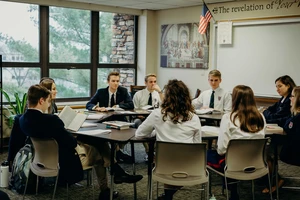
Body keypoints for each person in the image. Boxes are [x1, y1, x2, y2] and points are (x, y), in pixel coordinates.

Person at [12, 85, 142, 199]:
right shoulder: (51, 120)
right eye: (48, 101)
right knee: (99, 153)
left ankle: (116, 173)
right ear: (41, 100)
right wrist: (70, 133)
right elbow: (71, 143)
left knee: (97, 143)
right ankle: (106, 189)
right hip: (64, 160)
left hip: (41, 160)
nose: (48, 104)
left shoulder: (22, 119)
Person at [136, 79, 201, 200]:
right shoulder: (194, 118)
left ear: (167, 97)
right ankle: (167, 196)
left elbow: (139, 134)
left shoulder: (157, 114)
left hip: (164, 165)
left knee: (170, 162)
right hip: (190, 166)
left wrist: (156, 131)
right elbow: (197, 146)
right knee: (179, 160)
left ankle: (167, 196)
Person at [207, 85, 266, 200]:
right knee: (231, 157)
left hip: (232, 165)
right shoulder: (261, 117)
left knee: (208, 154)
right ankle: (232, 190)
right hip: (256, 163)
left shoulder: (229, 117)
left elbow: (221, 149)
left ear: (234, 99)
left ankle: (231, 191)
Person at [86, 71, 134, 163]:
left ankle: (117, 150)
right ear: (108, 82)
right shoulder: (101, 92)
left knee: (131, 130)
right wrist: (97, 107)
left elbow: (131, 104)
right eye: (113, 81)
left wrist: (118, 106)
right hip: (105, 119)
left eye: (117, 81)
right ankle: (116, 152)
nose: (116, 83)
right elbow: (89, 104)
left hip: (119, 119)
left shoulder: (123, 91)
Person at [132, 73, 163, 161]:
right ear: (146, 83)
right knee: (139, 124)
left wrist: (160, 92)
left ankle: (155, 150)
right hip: (141, 118)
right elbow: (134, 109)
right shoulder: (138, 94)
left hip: (155, 119)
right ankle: (149, 151)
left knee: (162, 127)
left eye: (155, 82)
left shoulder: (158, 94)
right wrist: (138, 114)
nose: (153, 84)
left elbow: (165, 106)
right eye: (150, 82)